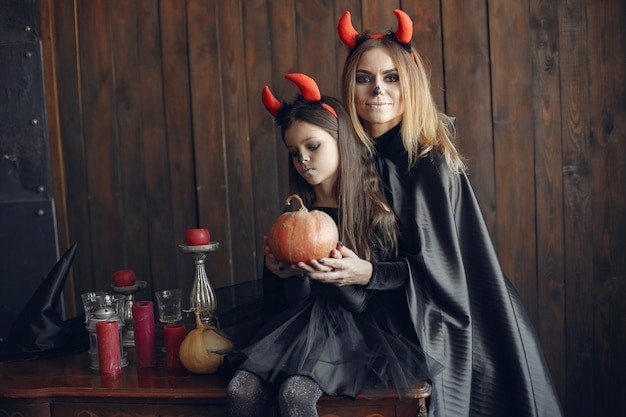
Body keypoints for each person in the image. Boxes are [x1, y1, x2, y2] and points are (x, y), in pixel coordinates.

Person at [300, 9, 564, 417]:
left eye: (391, 78)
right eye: (364, 78)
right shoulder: (353, 161)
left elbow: (438, 272)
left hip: (458, 318)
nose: (377, 90)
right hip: (378, 320)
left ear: (411, 83)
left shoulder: (427, 164)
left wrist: (367, 272)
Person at [225, 73, 439, 417]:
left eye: (313, 145)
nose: (303, 159)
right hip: (295, 332)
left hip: (359, 339)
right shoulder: (293, 220)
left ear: (343, 142)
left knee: (295, 396)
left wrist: (338, 277)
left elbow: (363, 307)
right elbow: (288, 305)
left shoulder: (375, 214)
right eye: (294, 152)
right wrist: (285, 273)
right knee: (240, 391)